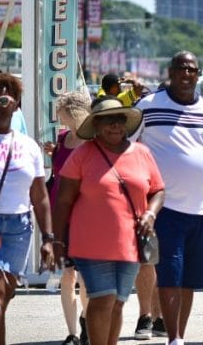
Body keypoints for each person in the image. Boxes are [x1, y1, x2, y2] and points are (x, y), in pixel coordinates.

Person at [134, 51, 203, 345]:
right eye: (181, 68)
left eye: (192, 70)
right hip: (162, 209)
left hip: (201, 210)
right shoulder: (147, 106)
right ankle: (174, 339)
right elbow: (125, 147)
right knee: (169, 274)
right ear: (170, 72)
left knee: (189, 280)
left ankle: (178, 335)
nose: (187, 74)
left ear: (198, 75)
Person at [53, 97, 165, 345]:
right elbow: (63, 201)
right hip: (90, 244)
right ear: (96, 124)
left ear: (126, 123)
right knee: (102, 299)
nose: (114, 125)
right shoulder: (83, 154)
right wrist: (56, 240)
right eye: (107, 120)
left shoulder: (142, 153)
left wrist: (150, 213)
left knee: (117, 302)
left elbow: (158, 189)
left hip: (131, 243)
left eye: (119, 119)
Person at [0, 73, 57, 345]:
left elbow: (40, 196)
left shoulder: (28, 146)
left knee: (4, 298)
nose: (4, 96)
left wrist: (48, 239)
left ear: (17, 103)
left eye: (10, 92)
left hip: (18, 230)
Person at [47, 92, 92, 345]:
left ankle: (87, 319)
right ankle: (72, 333)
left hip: (85, 217)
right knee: (67, 275)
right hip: (61, 216)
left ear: (72, 111)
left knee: (85, 278)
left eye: (60, 110)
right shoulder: (62, 139)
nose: (58, 116)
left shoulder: (93, 141)